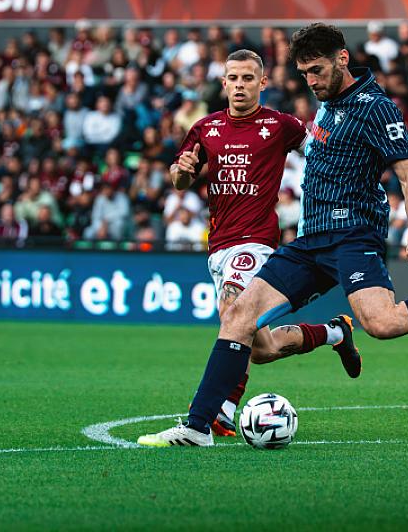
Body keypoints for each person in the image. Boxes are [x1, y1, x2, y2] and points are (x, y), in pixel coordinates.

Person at [139, 24, 408, 448]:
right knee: (239, 316)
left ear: (341, 59)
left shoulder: (376, 107)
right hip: (309, 240)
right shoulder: (326, 104)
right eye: (304, 74)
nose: (311, 81)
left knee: (383, 323)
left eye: (316, 70)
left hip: (353, 236)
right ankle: (198, 426)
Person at [139, 49, 361, 445]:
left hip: (256, 241)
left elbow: (323, 151)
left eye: (247, 78)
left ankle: (208, 418)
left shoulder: (281, 126)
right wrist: (181, 173)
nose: (239, 86)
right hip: (218, 246)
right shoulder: (205, 128)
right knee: (261, 348)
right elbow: (179, 179)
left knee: (233, 313)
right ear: (223, 83)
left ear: (262, 83)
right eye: (233, 78)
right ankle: (335, 333)